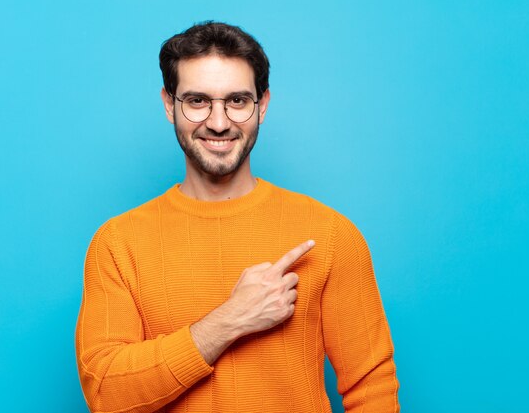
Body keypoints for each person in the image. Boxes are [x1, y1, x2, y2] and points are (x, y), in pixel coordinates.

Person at [75, 21, 399, 413]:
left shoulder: (329, 235)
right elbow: (106, 394)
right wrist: (230, 320)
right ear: (168, 104)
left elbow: (373, 388)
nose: (218, 122)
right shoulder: (117, 243)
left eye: (237, 101)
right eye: (197, 101)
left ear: (261, 106)